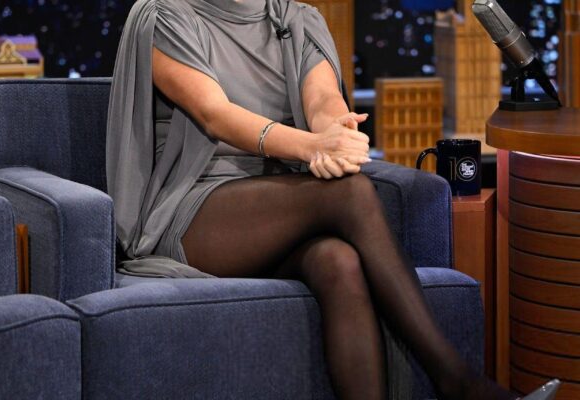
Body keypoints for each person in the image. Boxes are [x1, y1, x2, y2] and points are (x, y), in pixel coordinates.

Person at [106, 0, 559, 399]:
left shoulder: (297, 19)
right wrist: (311, 147)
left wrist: (334, 133)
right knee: (351, 192)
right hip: (193, 212)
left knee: (337, 261)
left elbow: (323, 98)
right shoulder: (164, 16)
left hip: (279, 210)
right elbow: (214, 114)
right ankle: (457, 382)